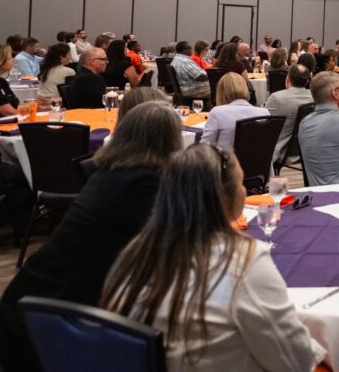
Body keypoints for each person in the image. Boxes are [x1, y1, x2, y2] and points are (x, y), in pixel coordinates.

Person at [103, 144, 327, 371]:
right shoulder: (244, 261)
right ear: (223, 197)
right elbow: (294, 362)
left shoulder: (134, 254)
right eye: (241, 183)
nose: (245, 191)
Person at [0, 102, 182, 370]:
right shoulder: (142, 183)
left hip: (33, 298)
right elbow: (167, 248)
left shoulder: (112, 171)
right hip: (54, 321)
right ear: (169, 141)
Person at [200, 73, 270, 150]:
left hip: (226, 161)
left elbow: (205, 148)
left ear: (221, 93)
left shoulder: (217, 113)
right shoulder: (264, 113)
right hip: (259, 161)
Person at [264, 65, 312, 169]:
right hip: (306, 149)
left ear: (288, 79)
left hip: (281, 151)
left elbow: (263, 121)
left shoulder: (277, 98)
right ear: (308, 81)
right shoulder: (315, 97)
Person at [36, 42, 75, 106]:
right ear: (61, 57)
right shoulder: (69, 71)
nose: (70, 57)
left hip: (39, 103)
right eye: (69, 54)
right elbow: (71, 95)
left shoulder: (45, 69)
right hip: (57, 105)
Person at [0, 45, 20, 117]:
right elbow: (9, 112)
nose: (13, 60)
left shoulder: (2, 81)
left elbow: (16, 105)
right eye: (9, 58)